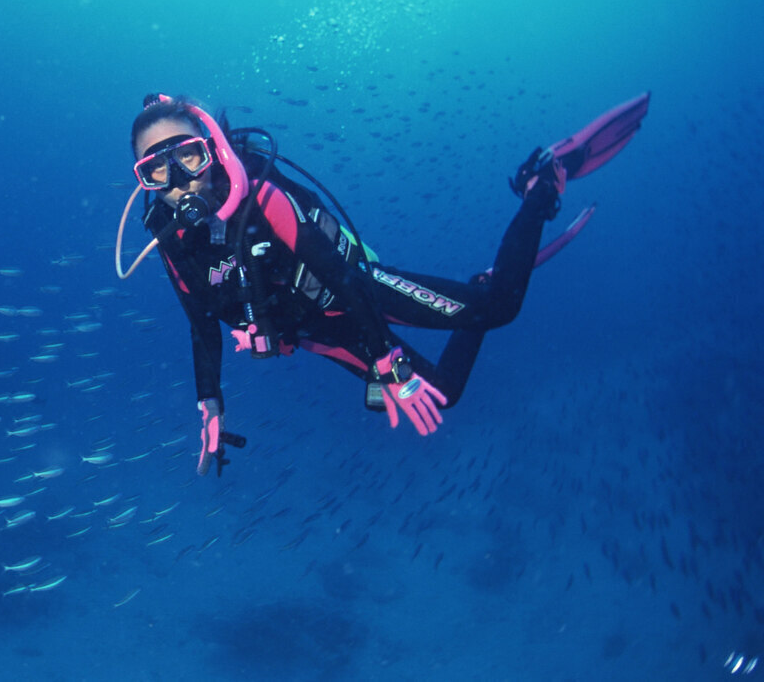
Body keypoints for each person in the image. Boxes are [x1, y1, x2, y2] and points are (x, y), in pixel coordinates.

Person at [115, 92, 649, 476]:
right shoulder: (169, 238)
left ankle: (542, 182)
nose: (180, 181)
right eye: (156, 171)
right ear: (144, 181)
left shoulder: (260, 198)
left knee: (501, 308)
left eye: (187, 156)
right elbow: (201, 322)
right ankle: (479, 283)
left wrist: (389, 364)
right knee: (442, 397)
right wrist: (210, 402)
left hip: (357, 291)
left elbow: (342, 278)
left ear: (211, 149)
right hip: (323, 332)